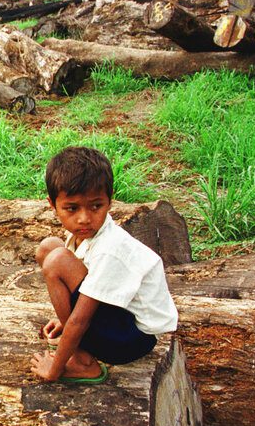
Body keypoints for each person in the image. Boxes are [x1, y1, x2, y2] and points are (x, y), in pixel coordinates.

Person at [29, 146, 177, 384]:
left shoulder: (111, 248)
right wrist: (64, 318)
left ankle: (83, 362)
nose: (85, 218)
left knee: (57, 261)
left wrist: (54, 369)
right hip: (117, 321)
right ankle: (80, 344)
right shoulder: (86, 235)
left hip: (132, 340)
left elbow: (80, 320)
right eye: (72, 208)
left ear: (110, 200)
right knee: (49, 248)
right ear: (52, 204)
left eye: (95, 206)